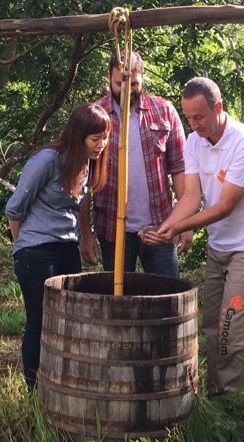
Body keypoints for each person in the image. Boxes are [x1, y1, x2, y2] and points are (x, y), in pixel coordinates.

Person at [141, 77, 244, 397]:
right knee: (213, 325)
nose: (194, 124)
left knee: (233, 327)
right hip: (219, 246)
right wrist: (165, 228)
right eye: (188, 117)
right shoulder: (194, 142)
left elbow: (225, 206)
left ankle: (240, 404)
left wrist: (178, 228)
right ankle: (218, 398)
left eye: (199, 116)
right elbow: (190, 197)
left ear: (218, 108)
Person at [5, 103, 110, 391]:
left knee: (70, 321)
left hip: (67, 248)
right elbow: (15, 209)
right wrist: (23, 247)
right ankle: (33, 391)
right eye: (95, 139)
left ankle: (63, 388)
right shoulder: (47, 160)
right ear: (78, 136)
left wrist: (85, 238)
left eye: (105, 138)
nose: (101, 145)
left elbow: (80, 206)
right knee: (40, 319)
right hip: (36, 251)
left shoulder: (87, 163)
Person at [79, 51, 192, 278]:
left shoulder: (164, 111)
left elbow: (180, 169)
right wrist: (85, 233)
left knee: (166, 291)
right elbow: (83, 180)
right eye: (119, 83)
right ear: (109, 78)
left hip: (160, 225)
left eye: (134, 84)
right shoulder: (96, 115)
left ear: (143, 78)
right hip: (112, 228)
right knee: (118, 296)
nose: (127, 90)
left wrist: (185, 223)